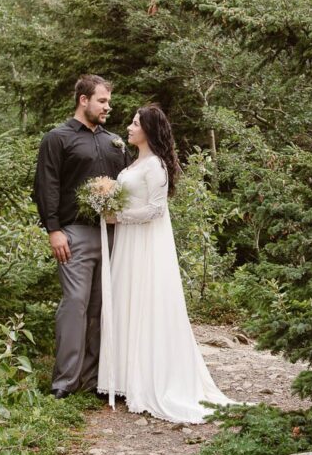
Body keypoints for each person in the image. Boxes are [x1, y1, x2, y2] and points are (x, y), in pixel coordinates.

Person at [97, 104, 234, 423]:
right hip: (129, 244)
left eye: (134, 123)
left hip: (145, 243)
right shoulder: (135, 163)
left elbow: (156, 210)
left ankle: (146, 379)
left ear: (148, 129)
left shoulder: (156, 166)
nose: (129, 127)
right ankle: (123, 377)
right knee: (126, 299)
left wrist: (119, 217)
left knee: (144, 302)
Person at [32, 74, 129, 399]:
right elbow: (47, 185)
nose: (107, 107)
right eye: (102, 101)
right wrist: (54, 230)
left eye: (108, 102)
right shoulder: (57, 138)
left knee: (103, 307)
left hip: (113, 235)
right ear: (83, 100)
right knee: (75, 304)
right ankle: (65, 382)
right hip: (74, 233)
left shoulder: (114, 141)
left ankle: (95, 380)